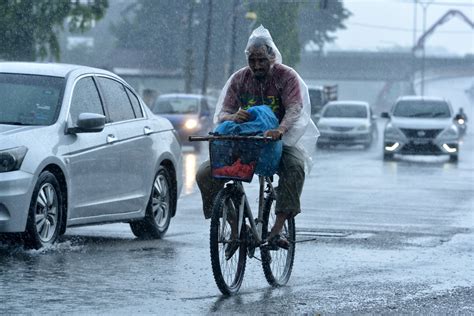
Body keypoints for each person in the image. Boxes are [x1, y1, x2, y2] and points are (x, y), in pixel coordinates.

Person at [196, 25, 319, 259]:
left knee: (294, 168)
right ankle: (234, 226)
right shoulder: (240, 79)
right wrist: (232, 117)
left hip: (277, 142)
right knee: (204, 174)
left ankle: (276, 228)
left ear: (272, 56)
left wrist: (280, 129)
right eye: (252, 60)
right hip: (245, 143)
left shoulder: (286, 76)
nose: (257, 65)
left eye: (262, 60)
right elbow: (223, 113)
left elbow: (295, 109)